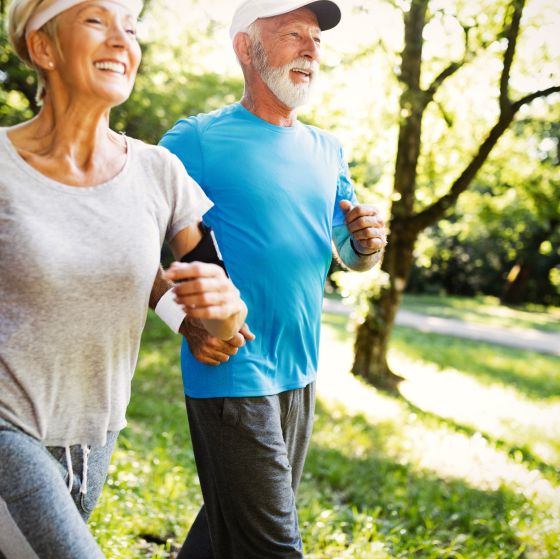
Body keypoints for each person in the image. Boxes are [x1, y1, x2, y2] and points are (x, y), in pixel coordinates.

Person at [0, 0, 247, 557]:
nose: (121, 40)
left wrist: (215, 316)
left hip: (93, 435)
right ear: (43, 46)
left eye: (131, 28)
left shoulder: (160, 172)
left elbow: (215, 300)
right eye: (95, 21)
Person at [159, 1, 388, 557]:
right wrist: (181, 317)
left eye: (316, 39)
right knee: (274, 545)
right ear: (246, 47)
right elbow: (131, 237)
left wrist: (366, 244)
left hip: (301, 369)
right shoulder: (196, 140)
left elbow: (350, 256)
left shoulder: (327, 148)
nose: (312, 49)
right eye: (293, 34)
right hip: (234, 367)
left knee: (225, 531)